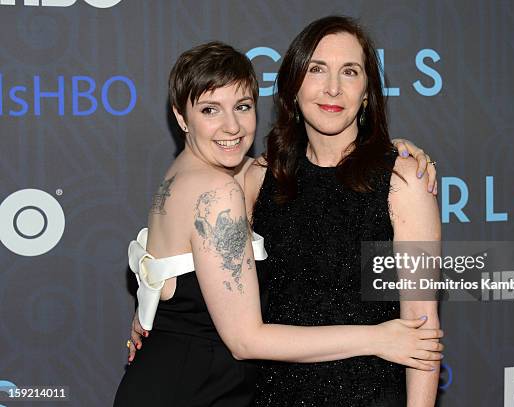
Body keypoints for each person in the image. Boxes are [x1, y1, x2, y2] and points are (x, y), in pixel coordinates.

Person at [114, 40, 441, 407]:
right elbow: (244, 339)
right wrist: (378, 338)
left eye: (242, 107)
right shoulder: (242, 182)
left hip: (342, 391)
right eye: (210, 110)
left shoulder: (228, 175)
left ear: (367, 93)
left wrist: (151, 312)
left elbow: (422, 327)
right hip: (212, 389)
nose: (231, 126)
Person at [243, 16, 442, 406]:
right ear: (293, 84)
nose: (332, 87)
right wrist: (150, 309)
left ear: (366, 93)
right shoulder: (259, 177)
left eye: (349, 72)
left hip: (369, 394)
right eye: (317, 69)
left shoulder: (403, 180)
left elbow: (421, 322)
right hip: (273, 394)